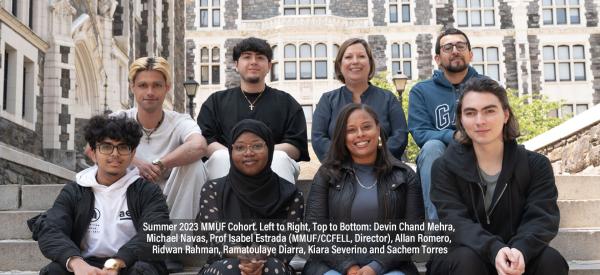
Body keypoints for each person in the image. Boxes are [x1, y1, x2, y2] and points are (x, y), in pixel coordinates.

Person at [427, 78, 568, 275]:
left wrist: (520, 251)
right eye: (470, 113)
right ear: (461, 119)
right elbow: (454, 222)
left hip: (516, 251)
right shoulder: (444, 167)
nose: (480, 121)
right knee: (467, 262)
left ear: (506, 114)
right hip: (462, 254)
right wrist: (494, 250)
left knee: (551, 260)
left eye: (489, 111)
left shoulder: (536, 165)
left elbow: (542, 217)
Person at [29, 115, 171, 275]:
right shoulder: (75, 191)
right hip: (86, 264)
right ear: (93, 153)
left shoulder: (147, 191)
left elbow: (155, 230)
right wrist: (76, 263)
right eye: (106, 147)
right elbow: (51, 229)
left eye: (123, 147)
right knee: (53, 271)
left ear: (132, 154)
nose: (115, 154)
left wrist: (116, 263)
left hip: (130, 263)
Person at [305, 104, 424, 275]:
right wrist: (349, 267)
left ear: (378, 129)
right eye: (351, 130)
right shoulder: (326, 175)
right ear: (342, 137)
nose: (360, 134)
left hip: (390, 266)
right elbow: (314, 231)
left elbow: (413, 234)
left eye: (366, 127)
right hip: (333, 266)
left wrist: (375, 267)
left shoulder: (404, 175)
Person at [115, 56, 208, 272]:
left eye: (156, 85)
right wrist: (135, 160)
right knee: (108, 159)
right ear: (132, 88)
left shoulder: (179, 120)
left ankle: (170, 248)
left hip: (171, 199)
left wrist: (161, 163)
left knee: (194, 165)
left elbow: (199, 146)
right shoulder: (120, 119)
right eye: (143, 85)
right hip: (131, 200)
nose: (150, 92)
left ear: (166, 88)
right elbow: (92, 148)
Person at [197, 119, 304, 275]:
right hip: (223, 265)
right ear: (231, 151)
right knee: (229, 268)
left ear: (270, 149)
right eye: (240, 147)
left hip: (272, 264)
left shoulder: (291, 195)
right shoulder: (212, 190)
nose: (248, 153)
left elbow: (287, 244)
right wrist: (243, 256)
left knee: (272, 267)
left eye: (257, 146)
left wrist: (258, 257)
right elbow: (215, 236)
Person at [198, 37, 309, 183]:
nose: (253, 62)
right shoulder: (215, 102)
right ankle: (220, 205)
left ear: (269, 66)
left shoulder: (287, 102)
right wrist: (237, 155)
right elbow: (205, 140)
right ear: (236, 64)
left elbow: (296, 147)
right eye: (247, 57)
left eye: (260, 57)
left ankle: (280, 206)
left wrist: (259, 154)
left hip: (273, 165)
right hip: (227, 165)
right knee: (220, 157)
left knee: (280, 158)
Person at [408, 27, 483, 221]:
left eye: (461, 46)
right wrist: (453, 136)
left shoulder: (487, 87)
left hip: (481, 152)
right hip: (442, 157)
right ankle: (437, 229)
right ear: (438, 59)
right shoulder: (421, 91)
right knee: (431, 147)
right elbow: (420, 132)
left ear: (471, 54)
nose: (455, 51)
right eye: (448, 47)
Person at [312, 38, 408, 162]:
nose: (355, 61)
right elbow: (318, 138)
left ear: (370, 63)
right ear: (340, 65)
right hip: (340, 172)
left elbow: (400, 135)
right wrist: (348, 160)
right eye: (348, 57)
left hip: (383, 170)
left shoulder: (388, 99)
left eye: (361, 56)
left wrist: (373, 159)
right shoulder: (327, 100)